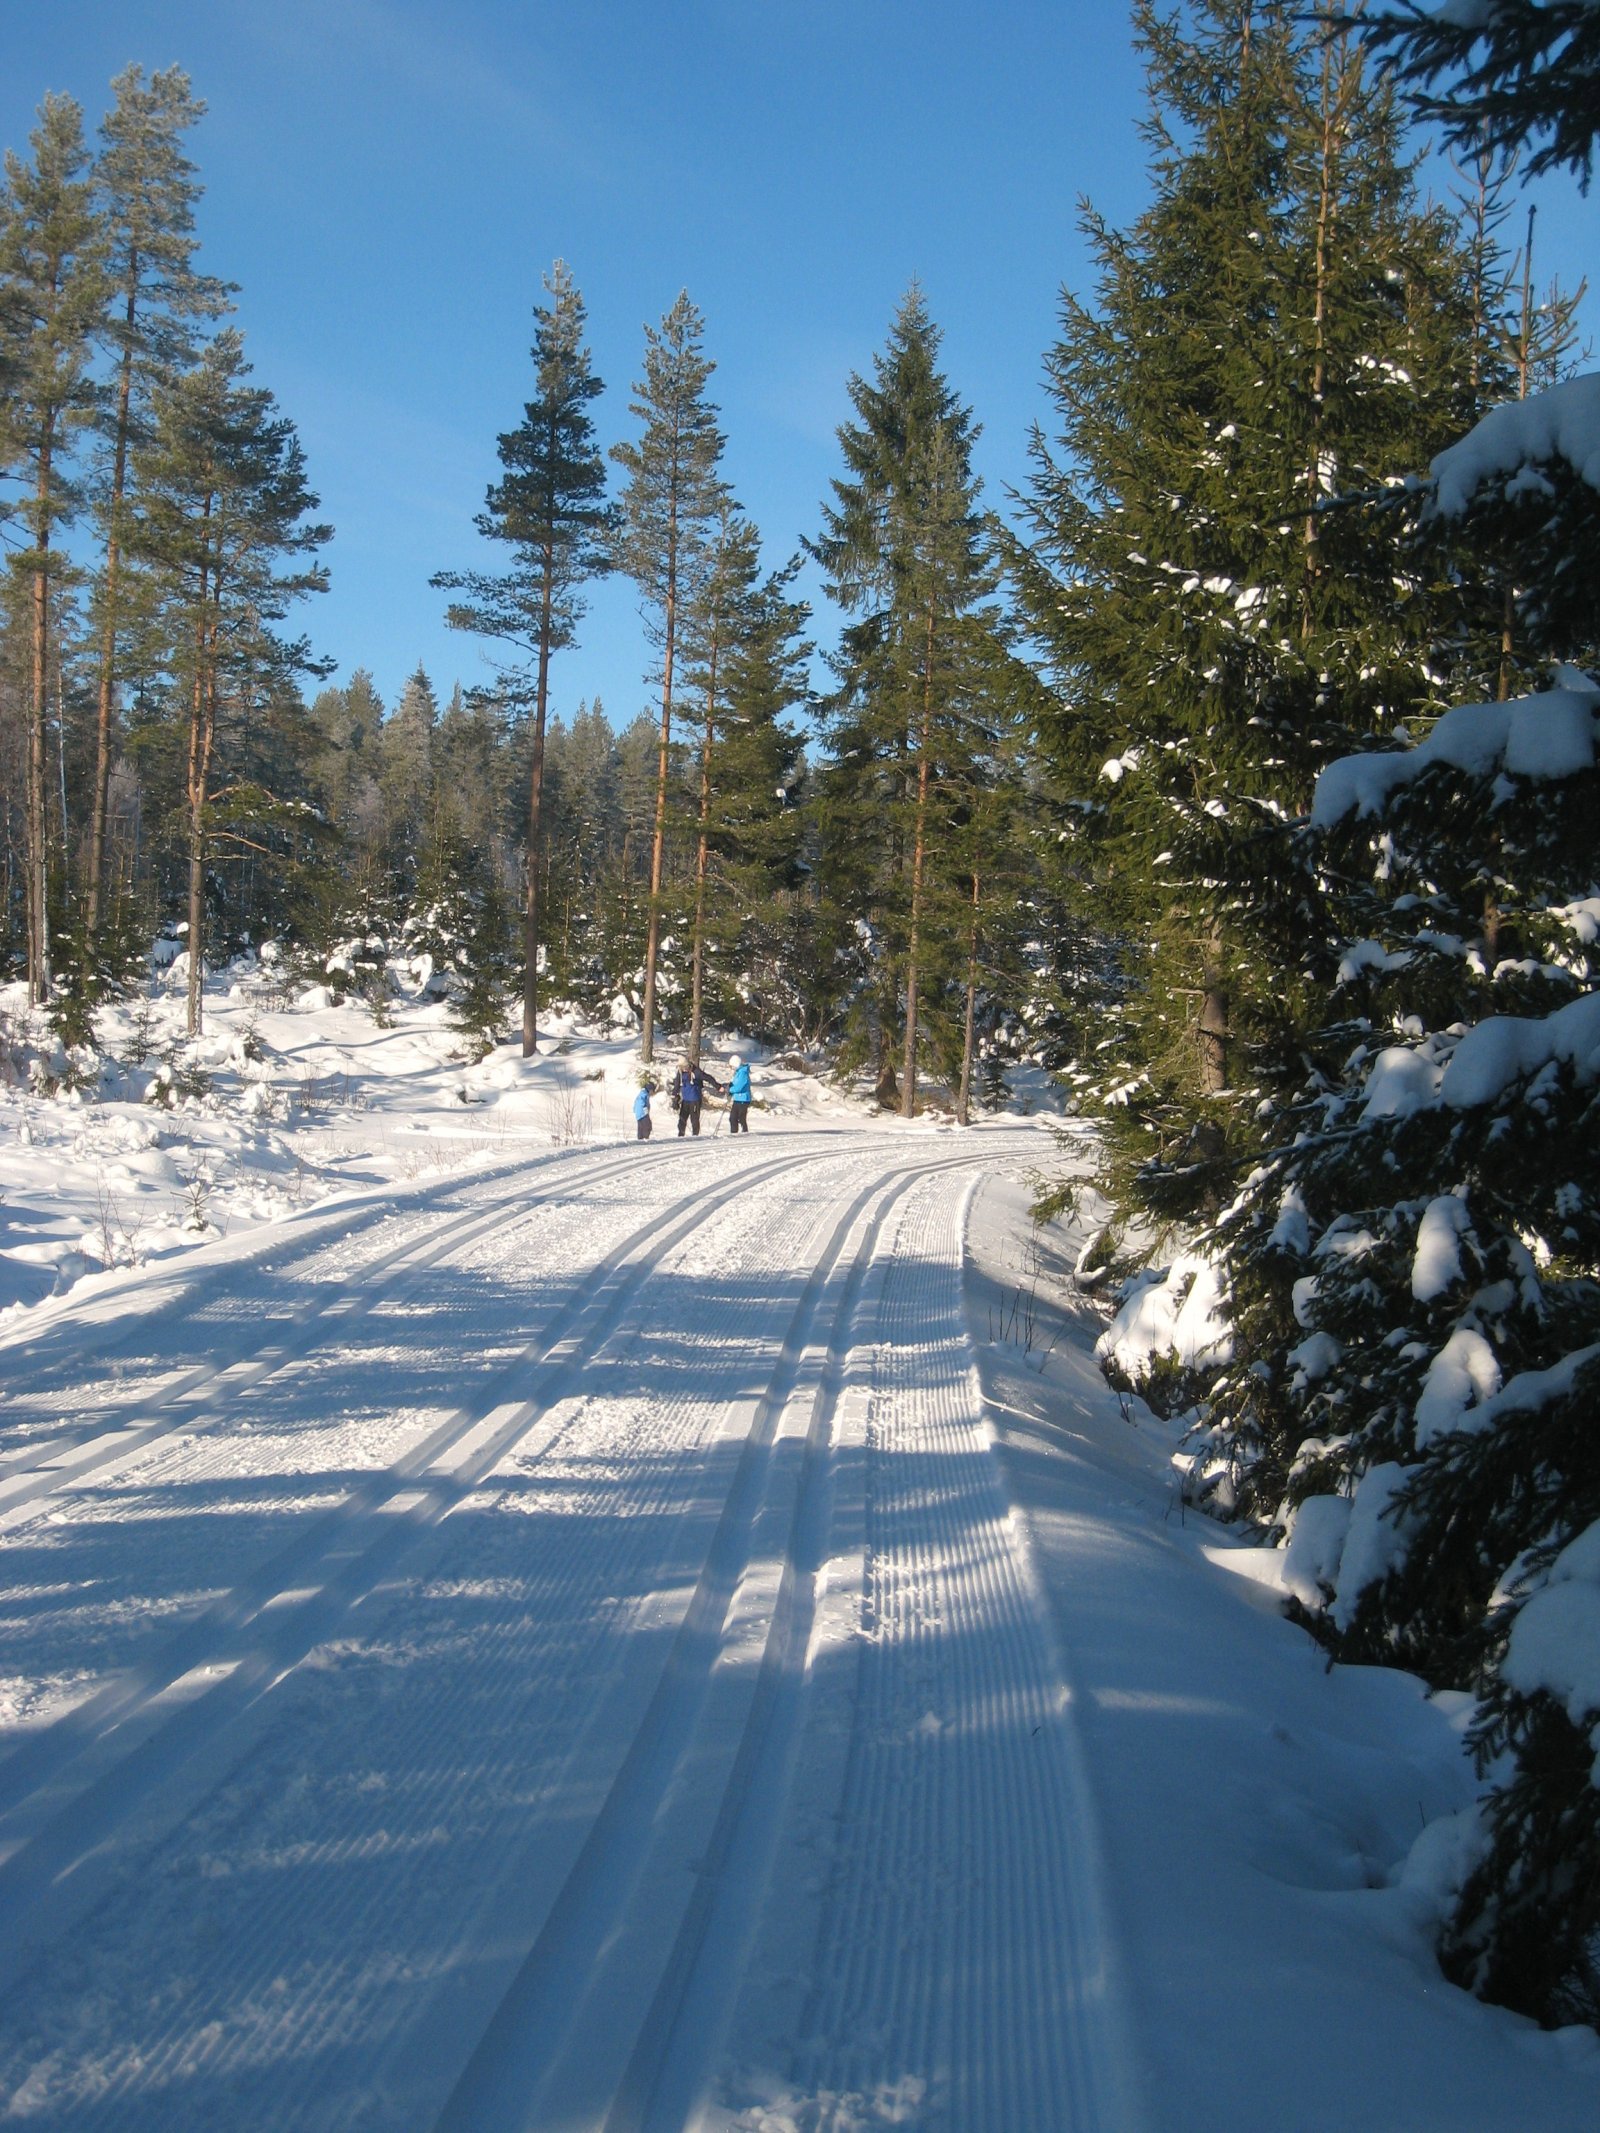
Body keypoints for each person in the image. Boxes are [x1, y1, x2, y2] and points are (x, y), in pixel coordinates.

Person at [670, 1055, 723, 1136]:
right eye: (681, 1067)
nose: (684, 1069)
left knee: (694, 1120)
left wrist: (718, 1086)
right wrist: (674, 1096)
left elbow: (708, 1078)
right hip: (685, 1100)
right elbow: (677, 1084)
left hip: (695, 1100)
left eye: (685, 1067)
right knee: (682, 1120)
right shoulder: (680, 1072)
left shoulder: (696, 1072)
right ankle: (680, 1136)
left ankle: (695, 1137)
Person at [727, 1053, 753, 1133]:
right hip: (737, 1098)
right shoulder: (738, 1072)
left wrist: (730, 1090)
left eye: (732, 1066)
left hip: (743, 1099)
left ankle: (744, 1133)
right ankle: (734, 1133)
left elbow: (739, 1087)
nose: (731, 1068)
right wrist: (731, 1086)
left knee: (741, 1119)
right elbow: (735, 1084)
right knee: (732, 1118)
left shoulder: (743, 1073)